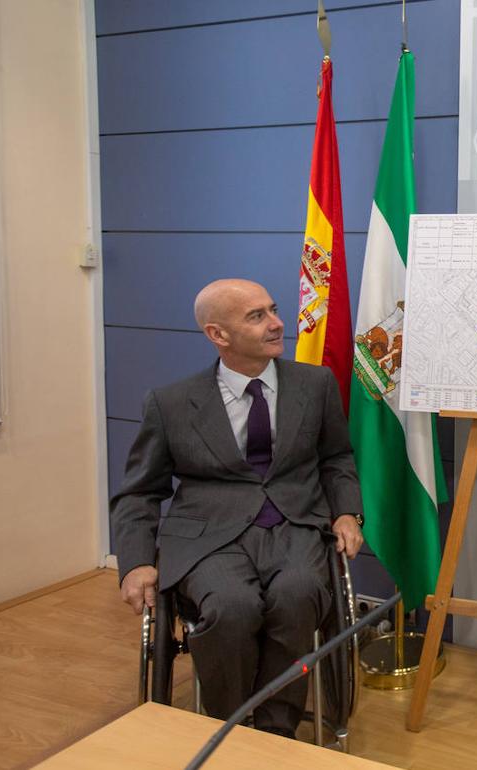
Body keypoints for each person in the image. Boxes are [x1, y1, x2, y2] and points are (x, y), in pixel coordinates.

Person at [111, 278, 365, 737]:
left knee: (298, 596)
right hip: (209, 535)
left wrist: (347, 511)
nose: (278, 323)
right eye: (257, 316)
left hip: (296, 525)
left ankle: (274, 731)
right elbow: (139, 492)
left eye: (272, 310)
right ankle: (231, 726)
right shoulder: (170, 405)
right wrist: (135, 564)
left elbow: (336, 458)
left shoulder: (315, 384)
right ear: (218, 335)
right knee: (232, 606)